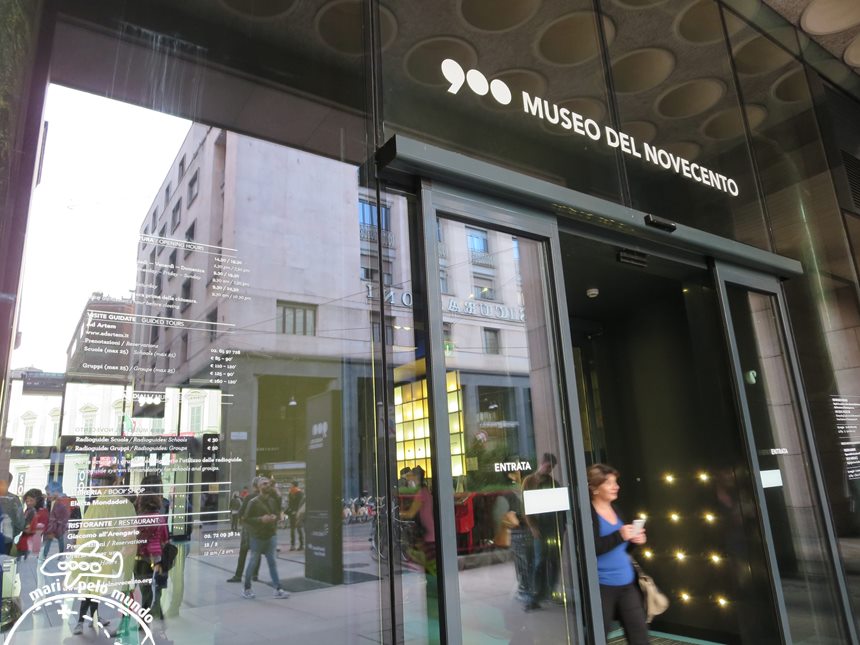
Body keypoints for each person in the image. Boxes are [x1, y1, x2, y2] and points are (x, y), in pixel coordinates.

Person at [588, 463, 648, 645]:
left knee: (640, 637)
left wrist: (635, 540)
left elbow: (622, 548)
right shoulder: (588, 515)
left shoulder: (617, 510)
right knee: (597, 637)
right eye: (609, 483)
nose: (616, 486)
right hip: (602, 587)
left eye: (616, 482)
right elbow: (592, 548)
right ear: (595, 488)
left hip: (626, 583)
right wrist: (620, 535)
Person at [72, 468, 136, 636]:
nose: (98, 487)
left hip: (106, 555)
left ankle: (85, 620)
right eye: (97, 483)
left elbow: (87, 535)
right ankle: (91, 619)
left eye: (100, 483)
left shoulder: (100, 506)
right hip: (112, 556)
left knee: (93, 587)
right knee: (98, 588)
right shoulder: (120, 505)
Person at [521, 452, 564, 611]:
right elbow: (525, 506)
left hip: (553, 527)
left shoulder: (554, 483)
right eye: (548, 466)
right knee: (539, 561)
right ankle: (535, 596)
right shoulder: (529, 481)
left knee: (553, 561)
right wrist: (532, 526)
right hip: (539, 527)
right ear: (542, 463)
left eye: (552, 467)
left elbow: (559, 506)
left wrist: (561, 527)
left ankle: (550, 592)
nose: (549, 470)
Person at [242, 476, 289, 599]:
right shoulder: (253, 502)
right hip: (257, 537)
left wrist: (275, 517)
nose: (267, 485)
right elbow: (245, 520)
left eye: (268, 483)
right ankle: (247, 588)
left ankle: (278, 588)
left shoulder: (273, 500)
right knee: (253, 562)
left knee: (272, 562)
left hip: (271, 536)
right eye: (264, 483)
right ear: (258, 487)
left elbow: (278, 513)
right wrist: (260, 519)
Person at [135, 478, 169, 625]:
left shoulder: (139, 518)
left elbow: (134, 537)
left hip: (142, 557)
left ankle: (145, 616)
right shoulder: (161, 518)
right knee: (158, 584)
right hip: (157, 558)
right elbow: (165, 537)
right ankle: (156, 609)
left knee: (145, 588)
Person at [227, 478, 261, 583]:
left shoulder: (249, 497)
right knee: (257, 552)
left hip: (248, 530)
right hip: (259, 530)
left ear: (254, 486)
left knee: (243, 553)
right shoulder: (264, 498)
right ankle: (255, 575)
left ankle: (238, 575)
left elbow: (241, 513)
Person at [41, 482, 71, 560]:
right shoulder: (63, 500)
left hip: (57, 527)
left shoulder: (59, 503)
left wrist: (51, 529)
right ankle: (58, 555)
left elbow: (55, 518)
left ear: (56, 492)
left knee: (52, 540)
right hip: (59, 527)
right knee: (57, 540)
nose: (47, 496)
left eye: (48, 494)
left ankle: (45, 555)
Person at [16, 488, 48, 559]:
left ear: (38, 501)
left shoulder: (42, 513)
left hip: (32, 547)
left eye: (31, 500)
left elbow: (36, 530)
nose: (28, 503)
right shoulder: (28, 511)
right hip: (22, 544)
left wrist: (21, 527)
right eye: (27, 501)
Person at [0, 473, 24, 554]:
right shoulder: (14, 499)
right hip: (6, 539)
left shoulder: (14, 499)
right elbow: (20, 523)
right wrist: (12, 534)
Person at [286, 481, 304, 551]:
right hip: (297, 513)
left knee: (293, 529)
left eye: (291, 484)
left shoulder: (291, 492)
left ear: (293, 485)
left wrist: (291, 510)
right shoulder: (300, 493)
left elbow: (290, 504)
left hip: (293, 513)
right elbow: (301, 503)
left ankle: (293, 545)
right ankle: (301, 545)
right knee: (298, 528)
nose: (290, 485)